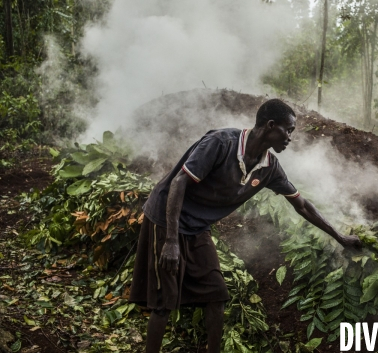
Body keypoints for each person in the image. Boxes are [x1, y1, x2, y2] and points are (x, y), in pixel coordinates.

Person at [129, 98, 362, 353]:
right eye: (288, 130)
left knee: (216, 296)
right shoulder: (221, 143)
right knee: (164, 302)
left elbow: (302, 205)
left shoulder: (269, 168)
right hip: (166, 218)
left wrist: (340, 237)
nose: (290, 138)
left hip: (197, 227)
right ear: (271, 125)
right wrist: (171, 241)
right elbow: (178, 183)